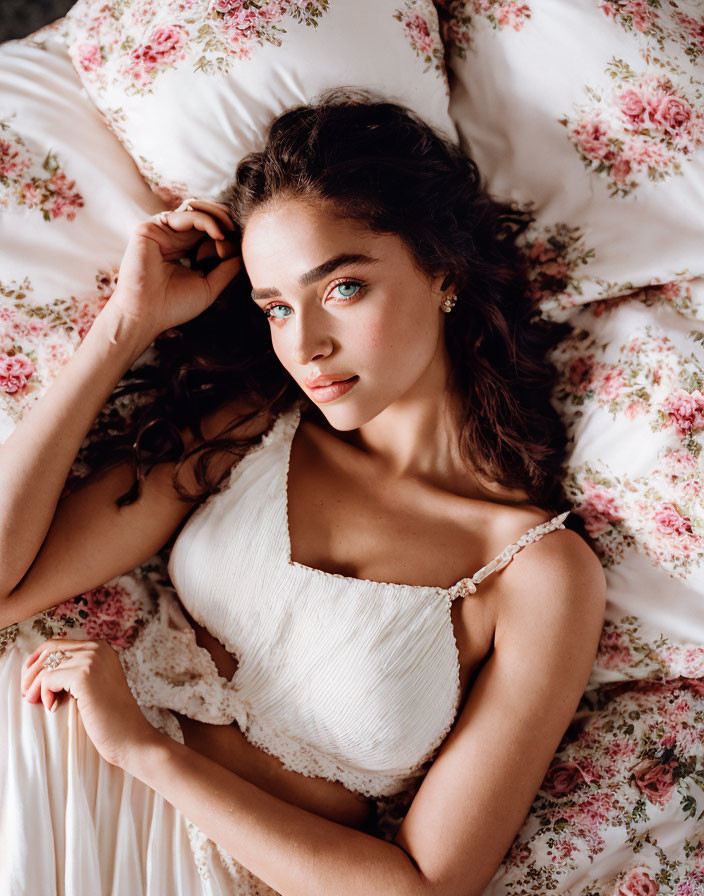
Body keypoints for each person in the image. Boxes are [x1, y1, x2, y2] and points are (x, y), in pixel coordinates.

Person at [0, 90, 605, 896]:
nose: (306, 345)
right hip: (48, 782)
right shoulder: (255, 420)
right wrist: (125, 325)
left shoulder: (539, 574)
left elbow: (418, 889)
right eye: (277, 307)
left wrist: (145, 752)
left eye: (342, 288)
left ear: (441, 270)